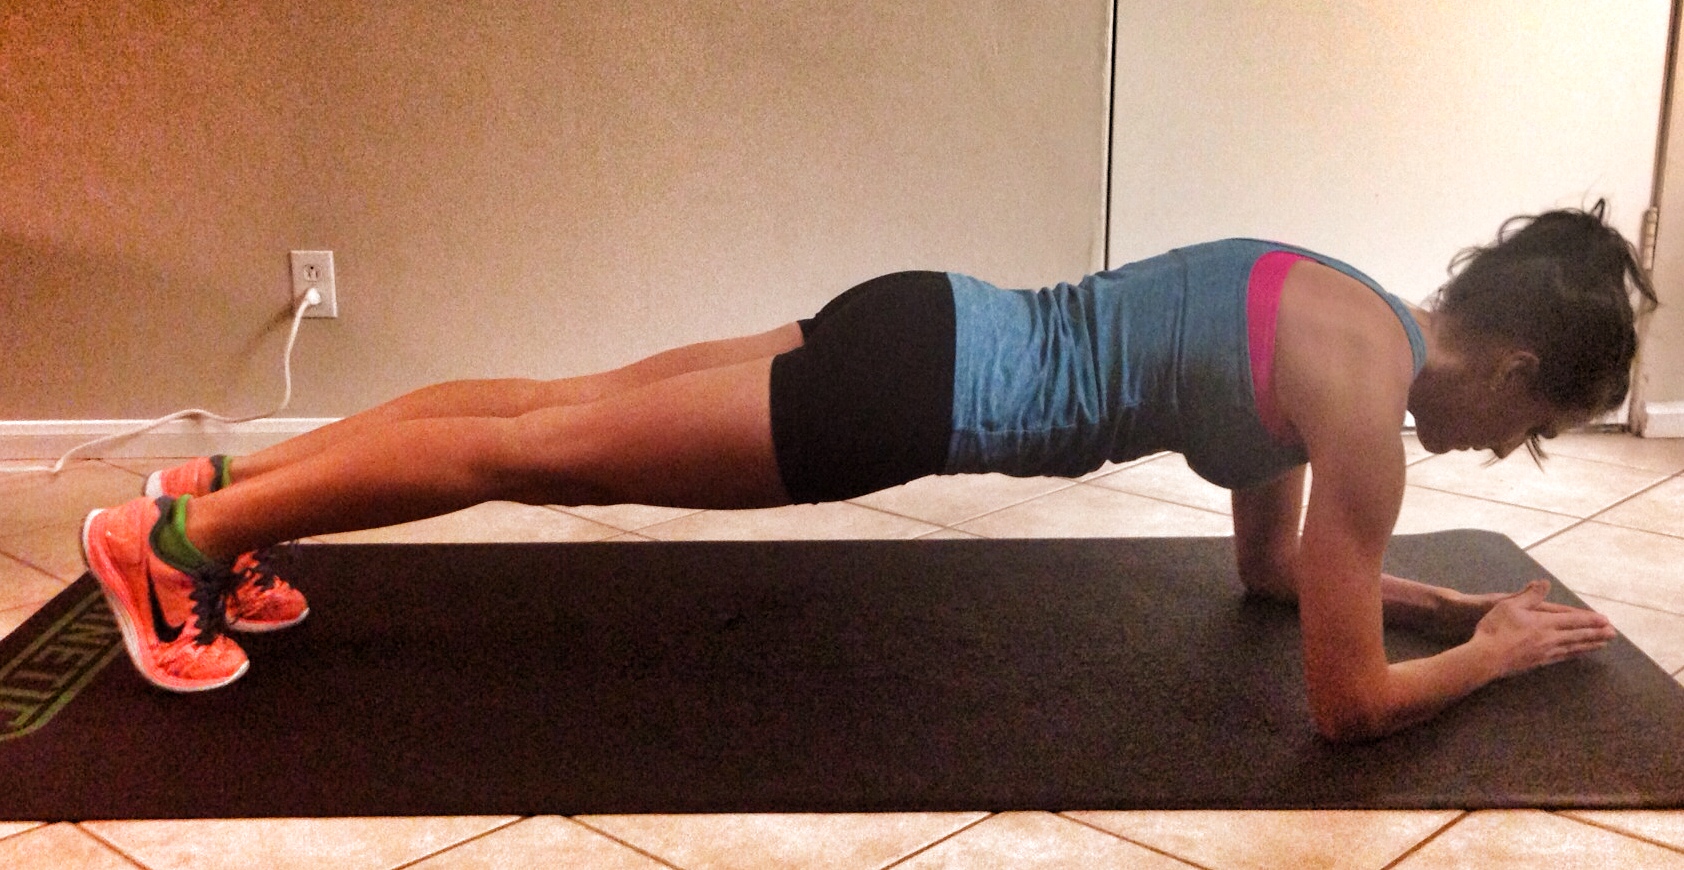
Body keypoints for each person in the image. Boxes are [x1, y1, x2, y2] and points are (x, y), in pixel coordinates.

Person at [81, 203, 1655, 742]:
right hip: (905, 399)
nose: (1509, 447)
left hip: (921, 318)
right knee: (533, 451)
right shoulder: (1369, 411)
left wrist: (1432, 598)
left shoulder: (1341, 304)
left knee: (552, 408)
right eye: (1534, 422)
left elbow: (1269, 571)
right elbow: (1344, 705)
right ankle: (180, 543)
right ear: (1518, 365)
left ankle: (224, 496)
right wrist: (1498, 654)